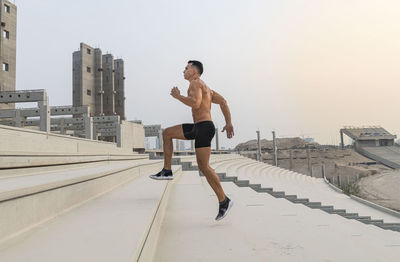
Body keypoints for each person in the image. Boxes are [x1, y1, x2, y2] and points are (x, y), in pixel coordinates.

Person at [149, 60, 235, 221]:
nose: (183, 70)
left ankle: (224, 200)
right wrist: (228, 122)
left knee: (204, 166)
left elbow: (195, 104)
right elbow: (223, 101)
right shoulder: (207, 88)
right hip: (199, 127)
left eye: (186, 68)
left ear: (194, 72)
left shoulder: (195, 84)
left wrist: (178, 96)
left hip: (203, 128)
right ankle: (167, 170)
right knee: (167, 133)